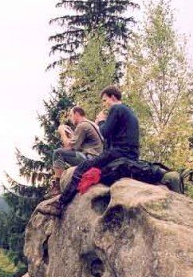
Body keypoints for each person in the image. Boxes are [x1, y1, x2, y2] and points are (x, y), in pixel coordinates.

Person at [40, 86, 140, 215]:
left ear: (113, 97)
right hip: (131, 155)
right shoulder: (129, 112)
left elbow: (104, 132)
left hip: (119, 153)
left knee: (82, 169)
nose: (104, 104)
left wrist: (101, 121)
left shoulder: (116, 108)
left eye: (105, 100)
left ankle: (60, 204)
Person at [46, 106, 103, 197]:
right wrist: (73, 135)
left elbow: (69, 147)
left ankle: (57, 186)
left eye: (71, 115)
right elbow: (82, 146)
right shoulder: (92, 124)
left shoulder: (82, 125)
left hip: (91, 159)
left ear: (77, 114)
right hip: (99, 158)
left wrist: (62, 132)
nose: (70, 118)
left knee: (58, 153)